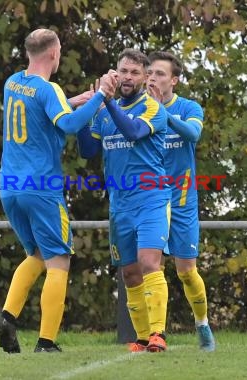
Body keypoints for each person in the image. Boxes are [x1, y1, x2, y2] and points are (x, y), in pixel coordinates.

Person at [0, 28, 116, 354]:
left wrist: (75, 100)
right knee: (59, 259)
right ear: (53, 54)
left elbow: (45, 110)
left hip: (10, 186)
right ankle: (46, 342)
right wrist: (101, 95)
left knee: (35, 255)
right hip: (41, 187)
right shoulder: (49, 89)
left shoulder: (13, 82)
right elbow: (70, 126)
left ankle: (6, 317)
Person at [77, 48, 170, 353]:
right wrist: (86, 112)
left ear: (145, 77)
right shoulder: (103, 110)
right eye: (123, 71)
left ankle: (159, 334)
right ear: (114, 74)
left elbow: (131, 131)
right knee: (129, 272)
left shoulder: (153, 108)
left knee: (148, 262)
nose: (128, 78)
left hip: (152, 199)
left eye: (134, 73)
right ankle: (142, 338)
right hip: (120, 205)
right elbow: (87, 151)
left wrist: (104, 101)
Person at [146, 51, 216, 351]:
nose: (152, 78)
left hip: (183, 199)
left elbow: (192, 134)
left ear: (174, 80)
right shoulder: (140, 108)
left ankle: (202, 324)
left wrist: (164, 114)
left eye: (159, 74)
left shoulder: (188, 107)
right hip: (151, 199)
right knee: (151, 266)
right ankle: (155, 335)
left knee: (186, 271)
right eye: (150, 73)